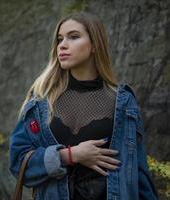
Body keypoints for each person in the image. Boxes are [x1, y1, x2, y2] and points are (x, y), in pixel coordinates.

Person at [9, 11, 158, 200]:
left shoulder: (123, 102)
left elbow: (138, 171)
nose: (62, 45)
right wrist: (70, 155)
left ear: (95, 45)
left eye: (73, 37)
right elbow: (17, 163)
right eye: (59, 39)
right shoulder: (40, 102)